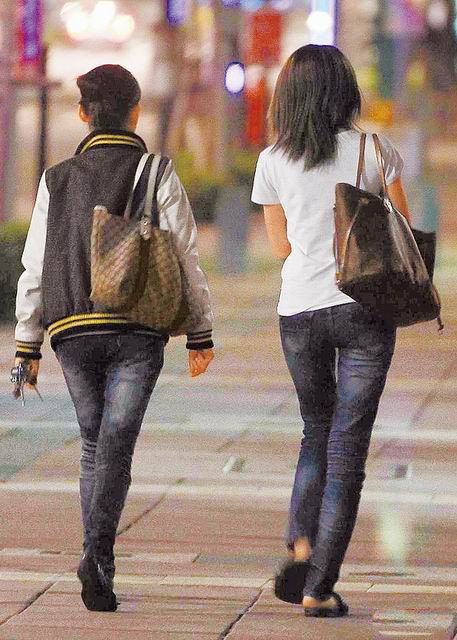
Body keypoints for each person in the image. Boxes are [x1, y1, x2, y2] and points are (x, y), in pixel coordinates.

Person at [13, 64, 214, 612]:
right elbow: (185, 252)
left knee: (94, 443)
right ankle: (97, 557)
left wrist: (27, 343)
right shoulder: (156, 171)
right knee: (116, 444)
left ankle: (95, 559)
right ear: (136, 111)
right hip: (138, 326)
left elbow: (35, 264)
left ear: (83, 114)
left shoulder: (56, 178)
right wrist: (200, 330)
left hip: (72, 329)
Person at [251, 45, 411, 617]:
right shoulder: (373, 151)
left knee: (314, 430)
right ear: (346, 91)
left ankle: (301, 543)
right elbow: (401, 231)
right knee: (348, 449)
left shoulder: (272, 160)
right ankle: (319, 587)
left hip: (299, 311)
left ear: (289, 97)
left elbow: (281, 247)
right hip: (364, 307)